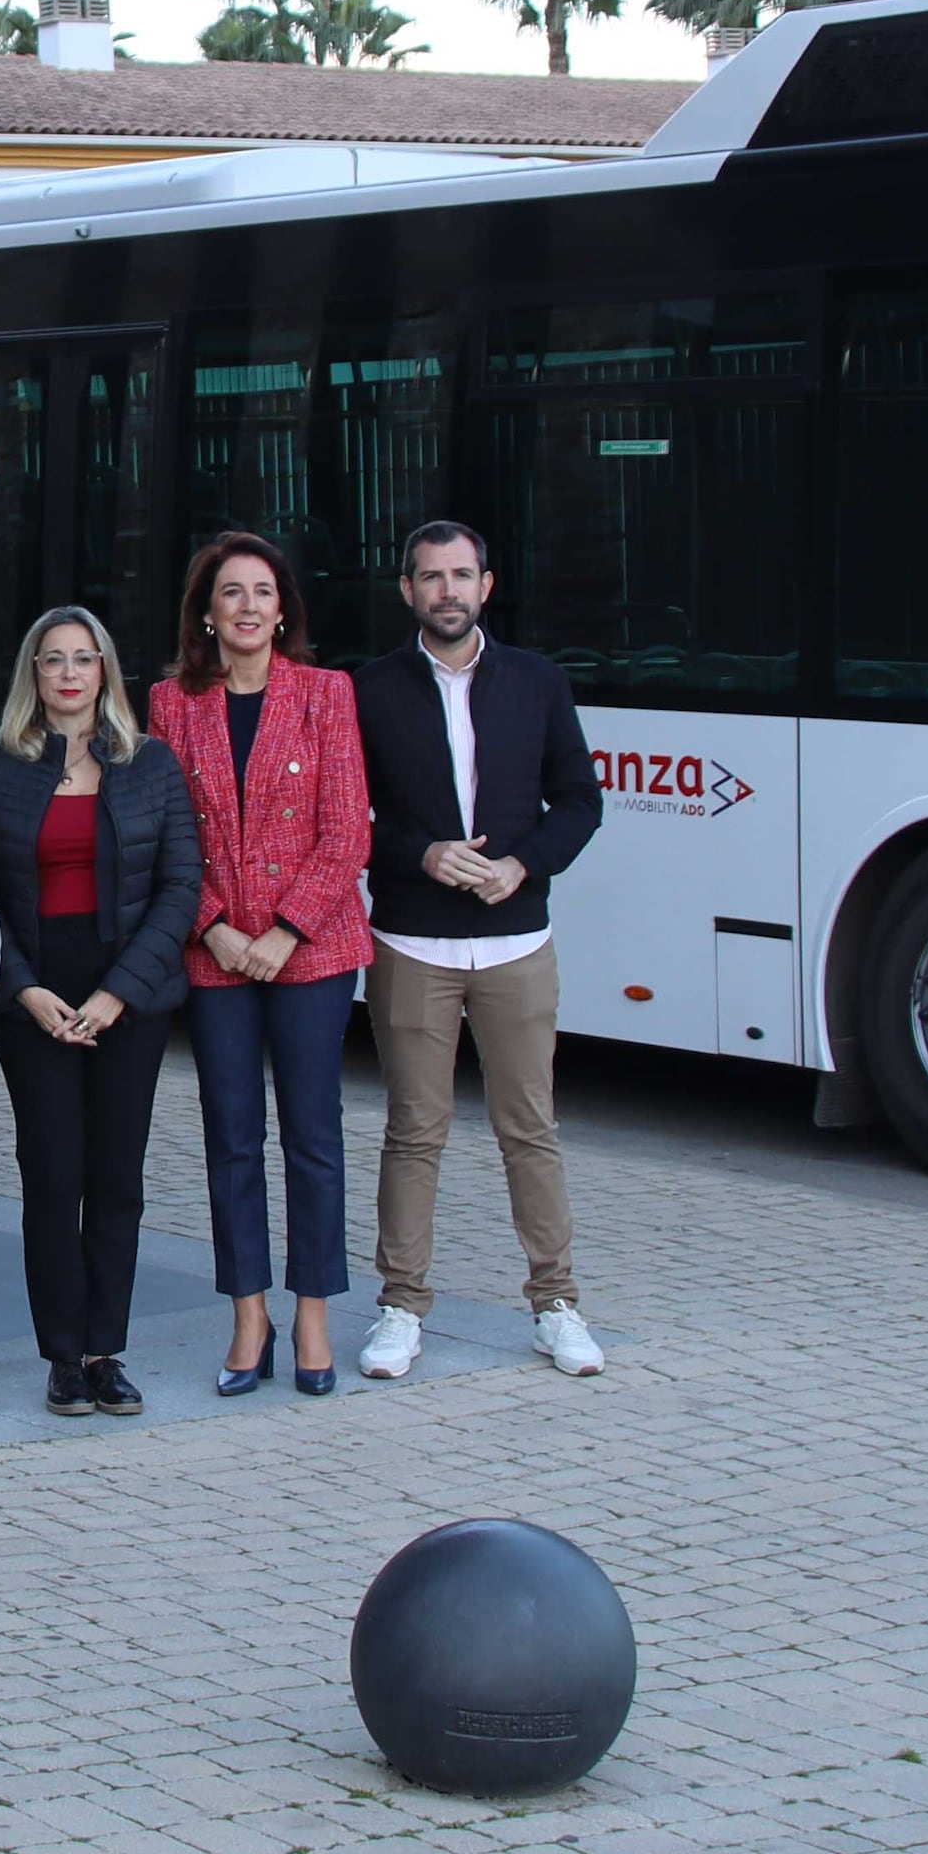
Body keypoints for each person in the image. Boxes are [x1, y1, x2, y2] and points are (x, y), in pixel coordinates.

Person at [352, 520, 610, 1385]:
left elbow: (579, 799)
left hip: (516, 942)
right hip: (411, 941)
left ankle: (556, 1302)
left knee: (529, 1128)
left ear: (486, 586)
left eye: (462, 575)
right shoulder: (370, 689)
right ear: (407, 590)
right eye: (431, 577)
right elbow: (351, 822)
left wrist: (522, 863)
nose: (448, 591)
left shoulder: (536, 681)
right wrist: (420, 853)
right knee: (414, 1132)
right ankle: (400, 1305)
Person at [148, 530, 371, 1401]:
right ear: (206, 611)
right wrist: (213, 929)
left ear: (285, 611)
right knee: (231, 1140)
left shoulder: (326, 693)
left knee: (313, 1137)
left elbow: (347, 825)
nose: (247, 606)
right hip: (216, 957)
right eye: (230, 592)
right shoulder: (173, 703)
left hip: (311, 952)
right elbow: (168, 833)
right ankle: (250, 1316)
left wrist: (284, 929)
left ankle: (312, 1310)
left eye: (263, 592)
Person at [0, 605, 198, 1421]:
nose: (68, 673)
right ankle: (64, 1355)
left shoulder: (152, 764)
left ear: (106, 672)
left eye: (83, 658)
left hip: (125, 996)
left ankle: (107, 1350)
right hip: (35, 996)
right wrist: (24, 989)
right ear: (34, 674)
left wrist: (117, 993)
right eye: (52, 659)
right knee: (53, 1173)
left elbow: (179, 889)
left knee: (117, 1178)